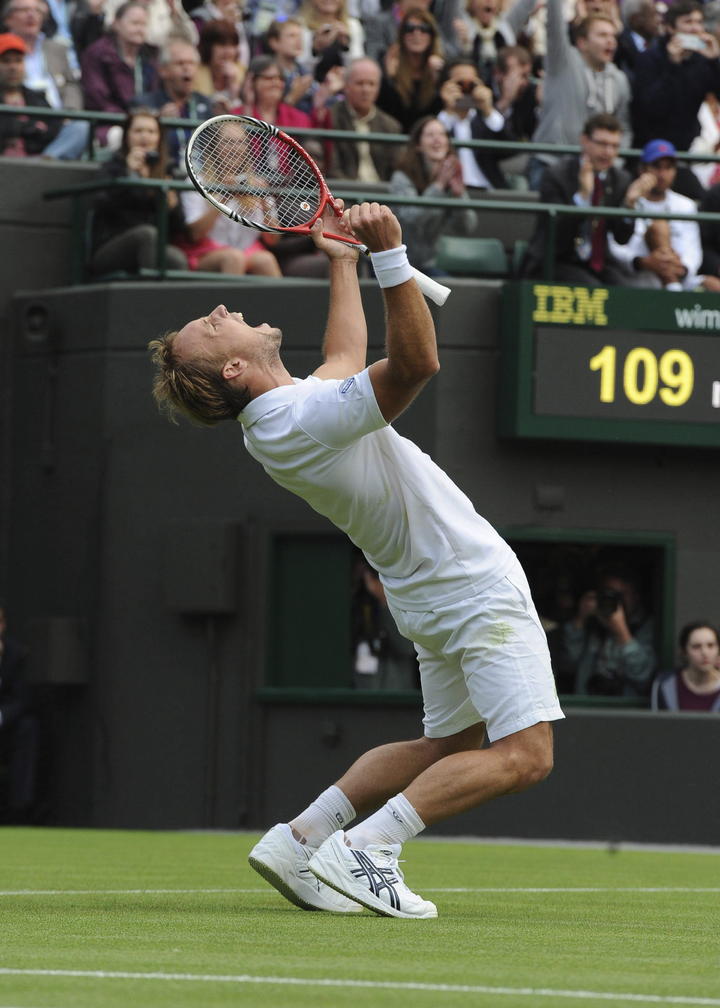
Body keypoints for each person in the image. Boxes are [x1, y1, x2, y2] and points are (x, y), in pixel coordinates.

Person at [148, 199, 563, 918]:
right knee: (527, 755)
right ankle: (371, 846)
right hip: (468, 584)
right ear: (236, 367)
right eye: (212, 326)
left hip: (429, 594)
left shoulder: (280, 417)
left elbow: (342, 359)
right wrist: (391, 255)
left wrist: (345, 261)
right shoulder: (302, 417)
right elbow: (417, 363)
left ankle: (300, 839)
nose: (220, 309)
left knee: (449, 745)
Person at [522, 113, 660, 286]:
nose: (608, 152)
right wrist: (583, 197)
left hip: (598, 262)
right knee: (594, 291)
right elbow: (555, 234)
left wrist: (629, 205)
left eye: (614, 146)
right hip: (556, 260)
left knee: (634, 288)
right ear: (584, 140)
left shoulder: (620, 179)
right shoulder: (557, 174)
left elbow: (622, 238)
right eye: (602, 144)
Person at [509, 0, 632, 192]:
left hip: (594, 170)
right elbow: (555, 26)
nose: (610, 41)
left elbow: (624, 127)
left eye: (613, 36)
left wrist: (616, 161)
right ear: (582, 42)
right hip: (550, 162)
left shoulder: (619, 79)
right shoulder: (562, 61)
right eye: (602, 35)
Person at [632, 0, 720, 201]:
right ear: (670, 28)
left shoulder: (702, 61)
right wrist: (673, 65)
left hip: (683, 156)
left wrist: (715, 61)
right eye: (688, 22)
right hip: (649, 155)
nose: (695, 28)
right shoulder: (649, 58)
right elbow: (651, 107)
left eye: (699, 22)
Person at [90, 107, 188, 275]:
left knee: (177, 259)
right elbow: (102, 204)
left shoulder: (166, 172)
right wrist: (129, 175)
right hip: (110, 247)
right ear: (127, 136)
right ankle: (148, 290)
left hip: (154, 246)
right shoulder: (113, 167)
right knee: (146, 234)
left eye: (151, 132)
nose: (145, 136)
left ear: (159, 138)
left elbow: (178, 228)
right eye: (138, 131)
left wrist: (172, 206)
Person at [608, 139, 704, 291]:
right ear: (642, 170)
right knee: (659, 228)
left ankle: (672, 283)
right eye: (656, 166)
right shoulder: (627, 198)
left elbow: (693, 251)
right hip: (637, 277)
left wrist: (681, 268)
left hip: (680, 277)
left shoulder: (686, 205)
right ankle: (672, 286)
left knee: (712, 285)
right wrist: (642, 262)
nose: (662, 174)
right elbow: (614, 245)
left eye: (668, 167)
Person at [390, 115, 478, 273]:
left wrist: (459, 196)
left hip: (429, 264)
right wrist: (438, 186)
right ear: (418, 145)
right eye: (430, 135)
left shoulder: (450, 179)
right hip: (397, 263)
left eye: (442, 134)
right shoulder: (401, 177)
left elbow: (467, 227)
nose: (437, 139)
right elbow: (411, 218)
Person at [2, 0, 89, 158]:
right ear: (8, 18)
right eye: (24, 10)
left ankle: (46, 160)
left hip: (52, 126)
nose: (31, 15)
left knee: (81, 127)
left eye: (37, 11)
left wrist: (69, 114)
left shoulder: (57, 49)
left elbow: (71, 86)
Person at [559, 567, 656, 697]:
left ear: (636, 597)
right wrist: (580, 620)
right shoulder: (590, 622)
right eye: (610, 594)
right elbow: (566, 665)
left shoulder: (647, 626)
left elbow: (643, 677)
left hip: (625, 705)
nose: (615, 600)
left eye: (621, 595)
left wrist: (622, 632)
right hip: (586, 701)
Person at [80, 0, 160, 142]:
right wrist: (129, 119)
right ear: (116, 24)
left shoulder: (150, 56)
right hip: (108, 124)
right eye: (135, 23)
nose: (140, 29)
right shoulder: (98, 53)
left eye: (143, 24)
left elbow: (156, 94)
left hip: (145, 122)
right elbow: (98, 99)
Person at [132, 36, 212, 171]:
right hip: (162, 172)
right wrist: (158, 123)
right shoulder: (145, 105)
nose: (187, 68)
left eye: (191, 63)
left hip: (202, 175)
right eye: (180, 63)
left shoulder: (206, 104)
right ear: (163, 70)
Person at [437, 56, 516, 191]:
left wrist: (488, 110)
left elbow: (510, 148)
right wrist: (449, 110)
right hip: (450, 191)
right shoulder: (437, 117)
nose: (465, 89)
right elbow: (431, 141)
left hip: (487, 190)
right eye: (459, 84)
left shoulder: (485, 119)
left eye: (471, 84)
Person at [325, 56, 401, 181]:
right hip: (343, 190)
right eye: (359, 83)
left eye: (371, 84)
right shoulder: (331, 118)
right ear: (346, 86)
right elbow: (332, 169)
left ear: (378, 88)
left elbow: (396, 171)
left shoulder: (390, 126)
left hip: (382, 190)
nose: (366, 90)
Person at [375, 6, 444, 133]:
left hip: (428, 138)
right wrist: (389, 80)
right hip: (395, 138)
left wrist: (438, 81)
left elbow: (439, 116)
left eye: (424, 29)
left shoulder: (441, 67)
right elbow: (384, 113)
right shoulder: (388, 64)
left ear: (432, 35)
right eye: (410, 29)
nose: (416, 34)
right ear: (402, 35)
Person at [0, 603, 39, 824]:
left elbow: (22, 699)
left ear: (3, 625)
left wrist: (1, 717)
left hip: (5, 729)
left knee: (28, 728)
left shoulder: (16, 655)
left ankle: (19, 811)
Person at [0, 30, 62, 154]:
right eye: (6, 61)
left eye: (18, 61)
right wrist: (27, 127)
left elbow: (53, 129)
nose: (13, 67)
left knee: (79, 128)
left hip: (37, 161)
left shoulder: (37, 97)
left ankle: (49, 159)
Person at [651, 622, 720, 712]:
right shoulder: (665, 684)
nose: (704, 652)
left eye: (710, 645)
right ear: (684, 652)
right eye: (696, 647)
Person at [192, 19, 245, 112]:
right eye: (222, 45)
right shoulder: (194, 73)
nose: (228, 51)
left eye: (232, 45)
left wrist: (233, 86)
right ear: (208, 47)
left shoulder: (244, 73)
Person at [613, 0, 662, 82]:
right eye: (653, 15)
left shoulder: (661, 44)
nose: (659, 20)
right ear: (636, 19)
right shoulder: (620, 46)